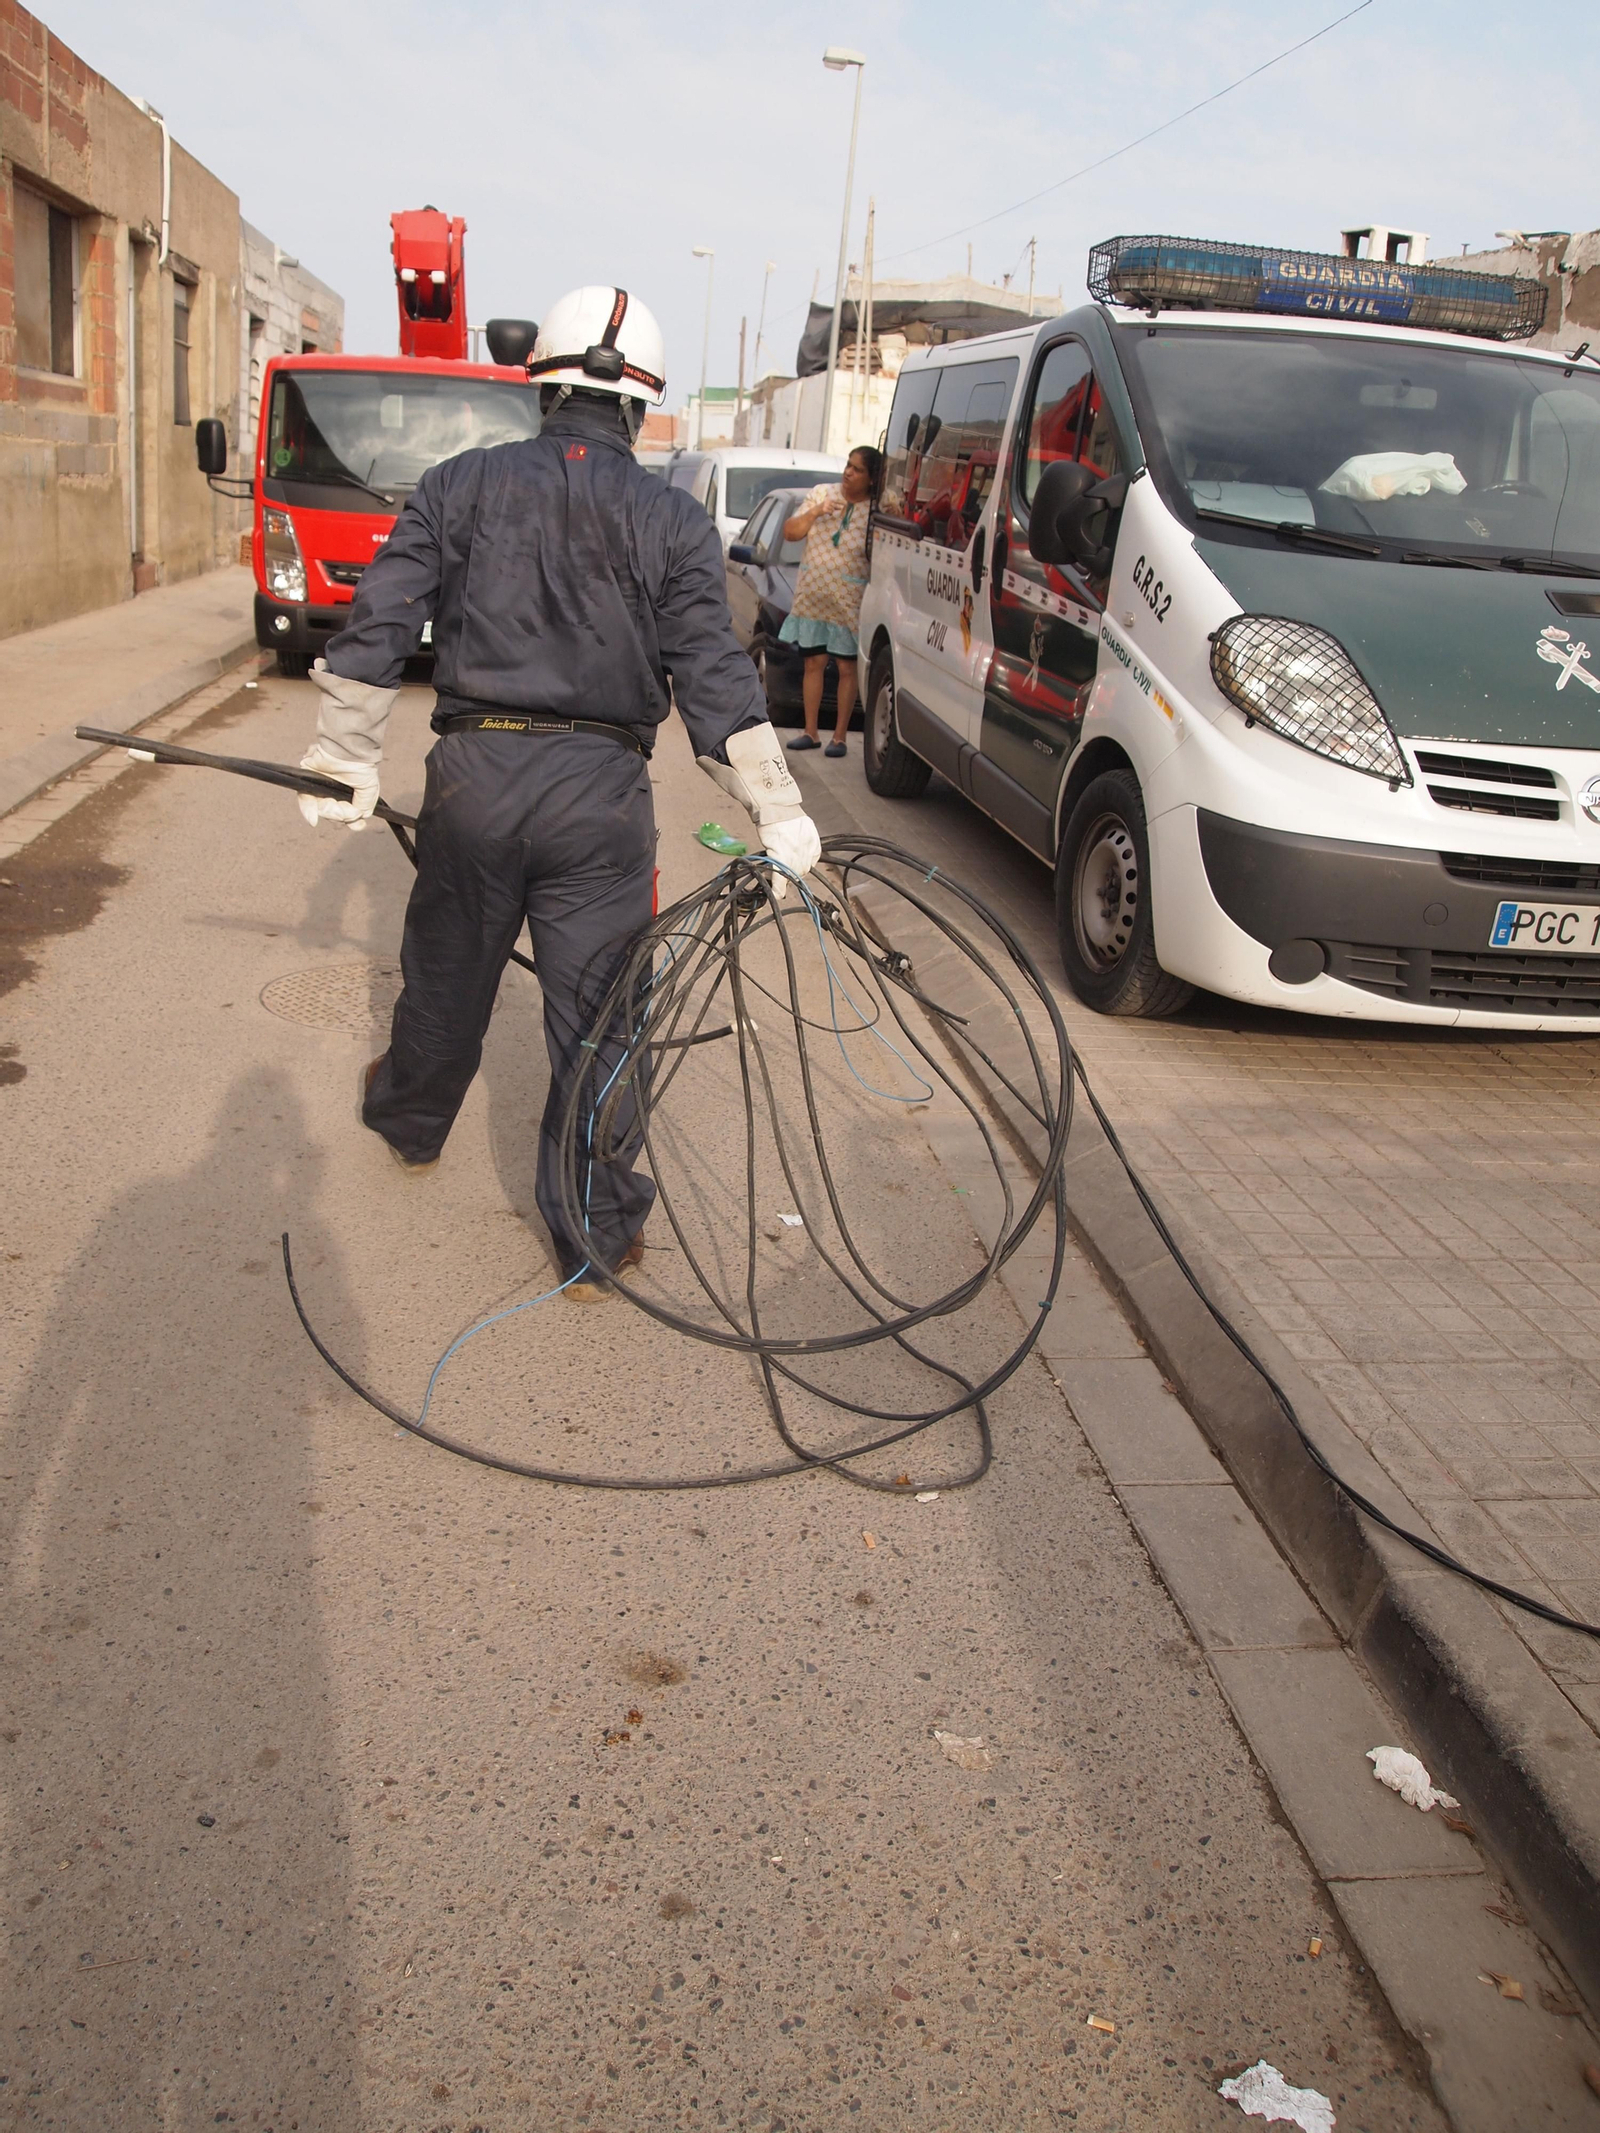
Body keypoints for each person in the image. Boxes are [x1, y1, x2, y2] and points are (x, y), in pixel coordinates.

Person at [294, 285, 821, 1302]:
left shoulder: (457, 486)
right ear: (637, 406)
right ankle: (591, 1240)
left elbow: (379, 621)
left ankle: (410, 1127)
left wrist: (344, 754)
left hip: (474, 779)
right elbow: (714, 678)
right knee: (600, 1018)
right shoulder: (670, 520)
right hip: (600, 801)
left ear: (543, 389)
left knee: (446, 974)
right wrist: (779, 809)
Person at [779, 445, 884, 757]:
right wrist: (815, 511)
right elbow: (790, 533)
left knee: (846, 667)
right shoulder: (821, 493)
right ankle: (810, 732)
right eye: (848, 465)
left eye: (857, 469)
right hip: (813, 596)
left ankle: (839, 737)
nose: (848, 473)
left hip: (849, 599)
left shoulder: (878, 508)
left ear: (872, 478)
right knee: (813, 662)